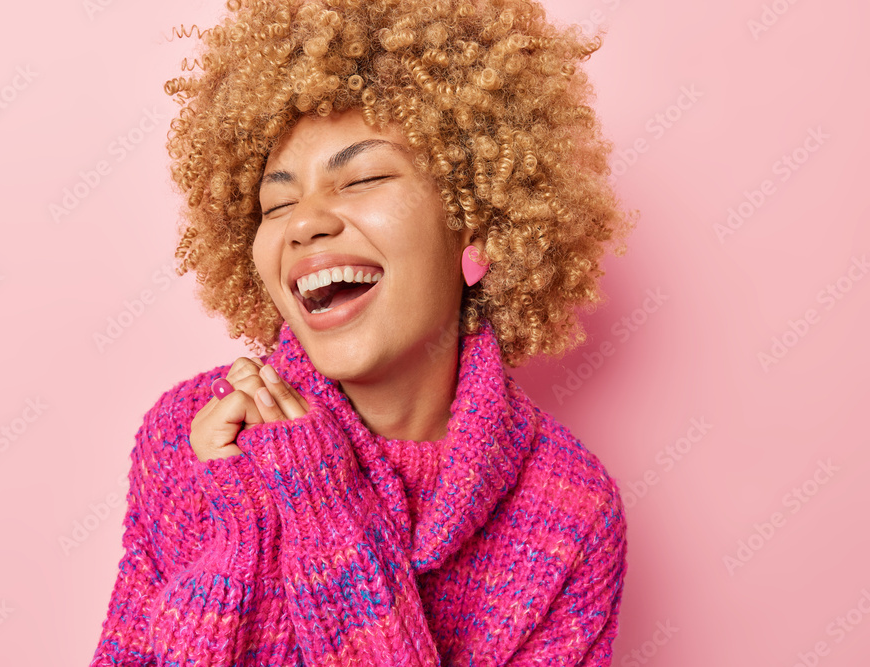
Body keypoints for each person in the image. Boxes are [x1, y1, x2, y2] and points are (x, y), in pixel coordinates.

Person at [90, 0, 635, 664]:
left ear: (479, 222)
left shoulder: (570, 512)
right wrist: (246, 535)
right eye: (277, 202)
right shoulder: (190, 440)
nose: (305, 222)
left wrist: (329, 521)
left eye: (363, 178)